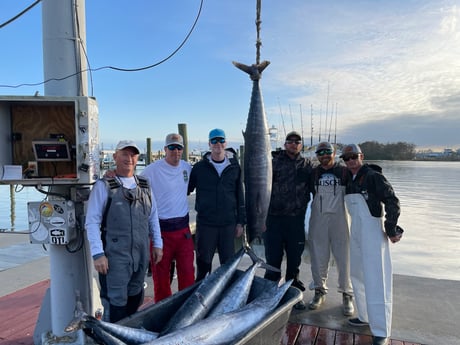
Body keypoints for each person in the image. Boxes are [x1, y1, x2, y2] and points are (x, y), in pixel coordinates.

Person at [85, 140, 163, 322]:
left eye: (133, 154)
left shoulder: (145, 185)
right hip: (115, 257)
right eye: (124, 154)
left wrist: (158, 243)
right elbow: (92, 222)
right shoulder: (103, 186)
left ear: (138, 158)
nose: (129, 158)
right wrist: (98, 254)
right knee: (116, 302)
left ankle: (129, 332)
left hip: (141, 254)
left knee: (136, 295)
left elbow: (153, 217)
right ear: (115, 157)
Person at [341, 144, 402, 345]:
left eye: (354, 156)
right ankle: (364, 316)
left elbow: (392, 200)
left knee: (377, 278)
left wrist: (391, 228)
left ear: (362, 156)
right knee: (357, 274)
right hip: (356, 231)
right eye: (346, 157)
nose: (350, 160)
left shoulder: (373, 176)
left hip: (372, 231)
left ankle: (381, 329)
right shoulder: (347, 178)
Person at [141, 133, 195, 302]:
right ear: (165, 149)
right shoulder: (151, 170)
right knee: (161, 278)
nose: (176, 151)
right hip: (160, 232)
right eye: (172, 147)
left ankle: (186, 308)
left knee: (187, 274)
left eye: (179, 148)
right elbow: (132, 183)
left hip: (183, 230)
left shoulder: (187, 168)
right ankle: (162, 310)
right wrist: (113, 174)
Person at [187, 128, 246, 281]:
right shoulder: (199, 168)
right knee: (203, 264)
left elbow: (240, 195)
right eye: (214, 140)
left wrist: (241, 222)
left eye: (221, 140)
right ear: (209, 144)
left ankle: (225, 297)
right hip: (206, 224)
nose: (217, 143)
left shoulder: (234, 167)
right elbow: (184, 189)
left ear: (225, 143)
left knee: (227, 265)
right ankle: (200, 295)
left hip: (228, 224)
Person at [263, 131, 312, 310]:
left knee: (294, 261)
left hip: (296, 221)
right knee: (272, 261)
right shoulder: (273, 163)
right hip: (274, 219)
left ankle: (293, 294)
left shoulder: (307, 165)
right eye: (290, 142)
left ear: (301, 145)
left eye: (296, 142)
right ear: (285, 144)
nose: (293, 144)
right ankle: (269, 295)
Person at [307, 142, 354, 315]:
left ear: (334, 154)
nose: (324, 155)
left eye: (328, 152)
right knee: (318, 256)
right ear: (317, 155)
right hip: (318, 219)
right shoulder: (313, 173)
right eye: (320, 152)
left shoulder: (344, 172)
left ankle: (347, 294)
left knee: (345, 258)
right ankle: (319, 290)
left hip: (341, 219)